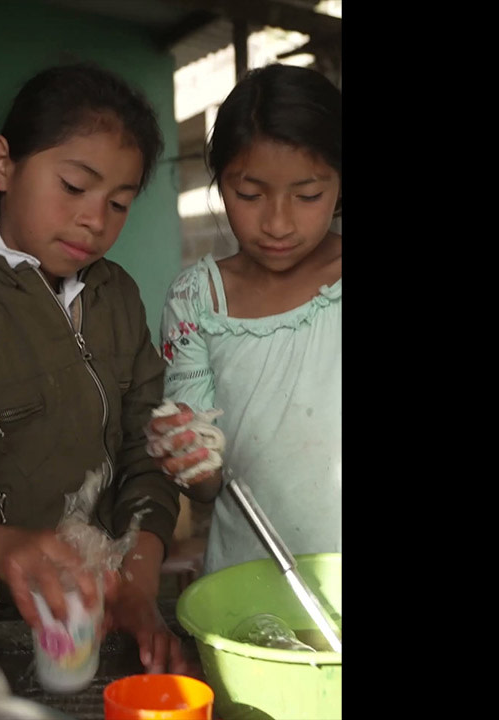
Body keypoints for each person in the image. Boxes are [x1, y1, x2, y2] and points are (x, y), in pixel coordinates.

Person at [0, 63, 201, 675]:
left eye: (119, 203)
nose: (95, 219)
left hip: (99, 621)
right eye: (74, 187)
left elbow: (146, 448)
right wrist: (4, 549)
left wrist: (136, 580)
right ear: (3, 164)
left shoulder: (117, 297)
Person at [146, 63, 342, 576]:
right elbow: (208, 487)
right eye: (249, 195)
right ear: (219, 181)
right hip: (248, 581)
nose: (277, 223)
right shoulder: (196, 302)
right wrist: (186, 453)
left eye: (308, 195)